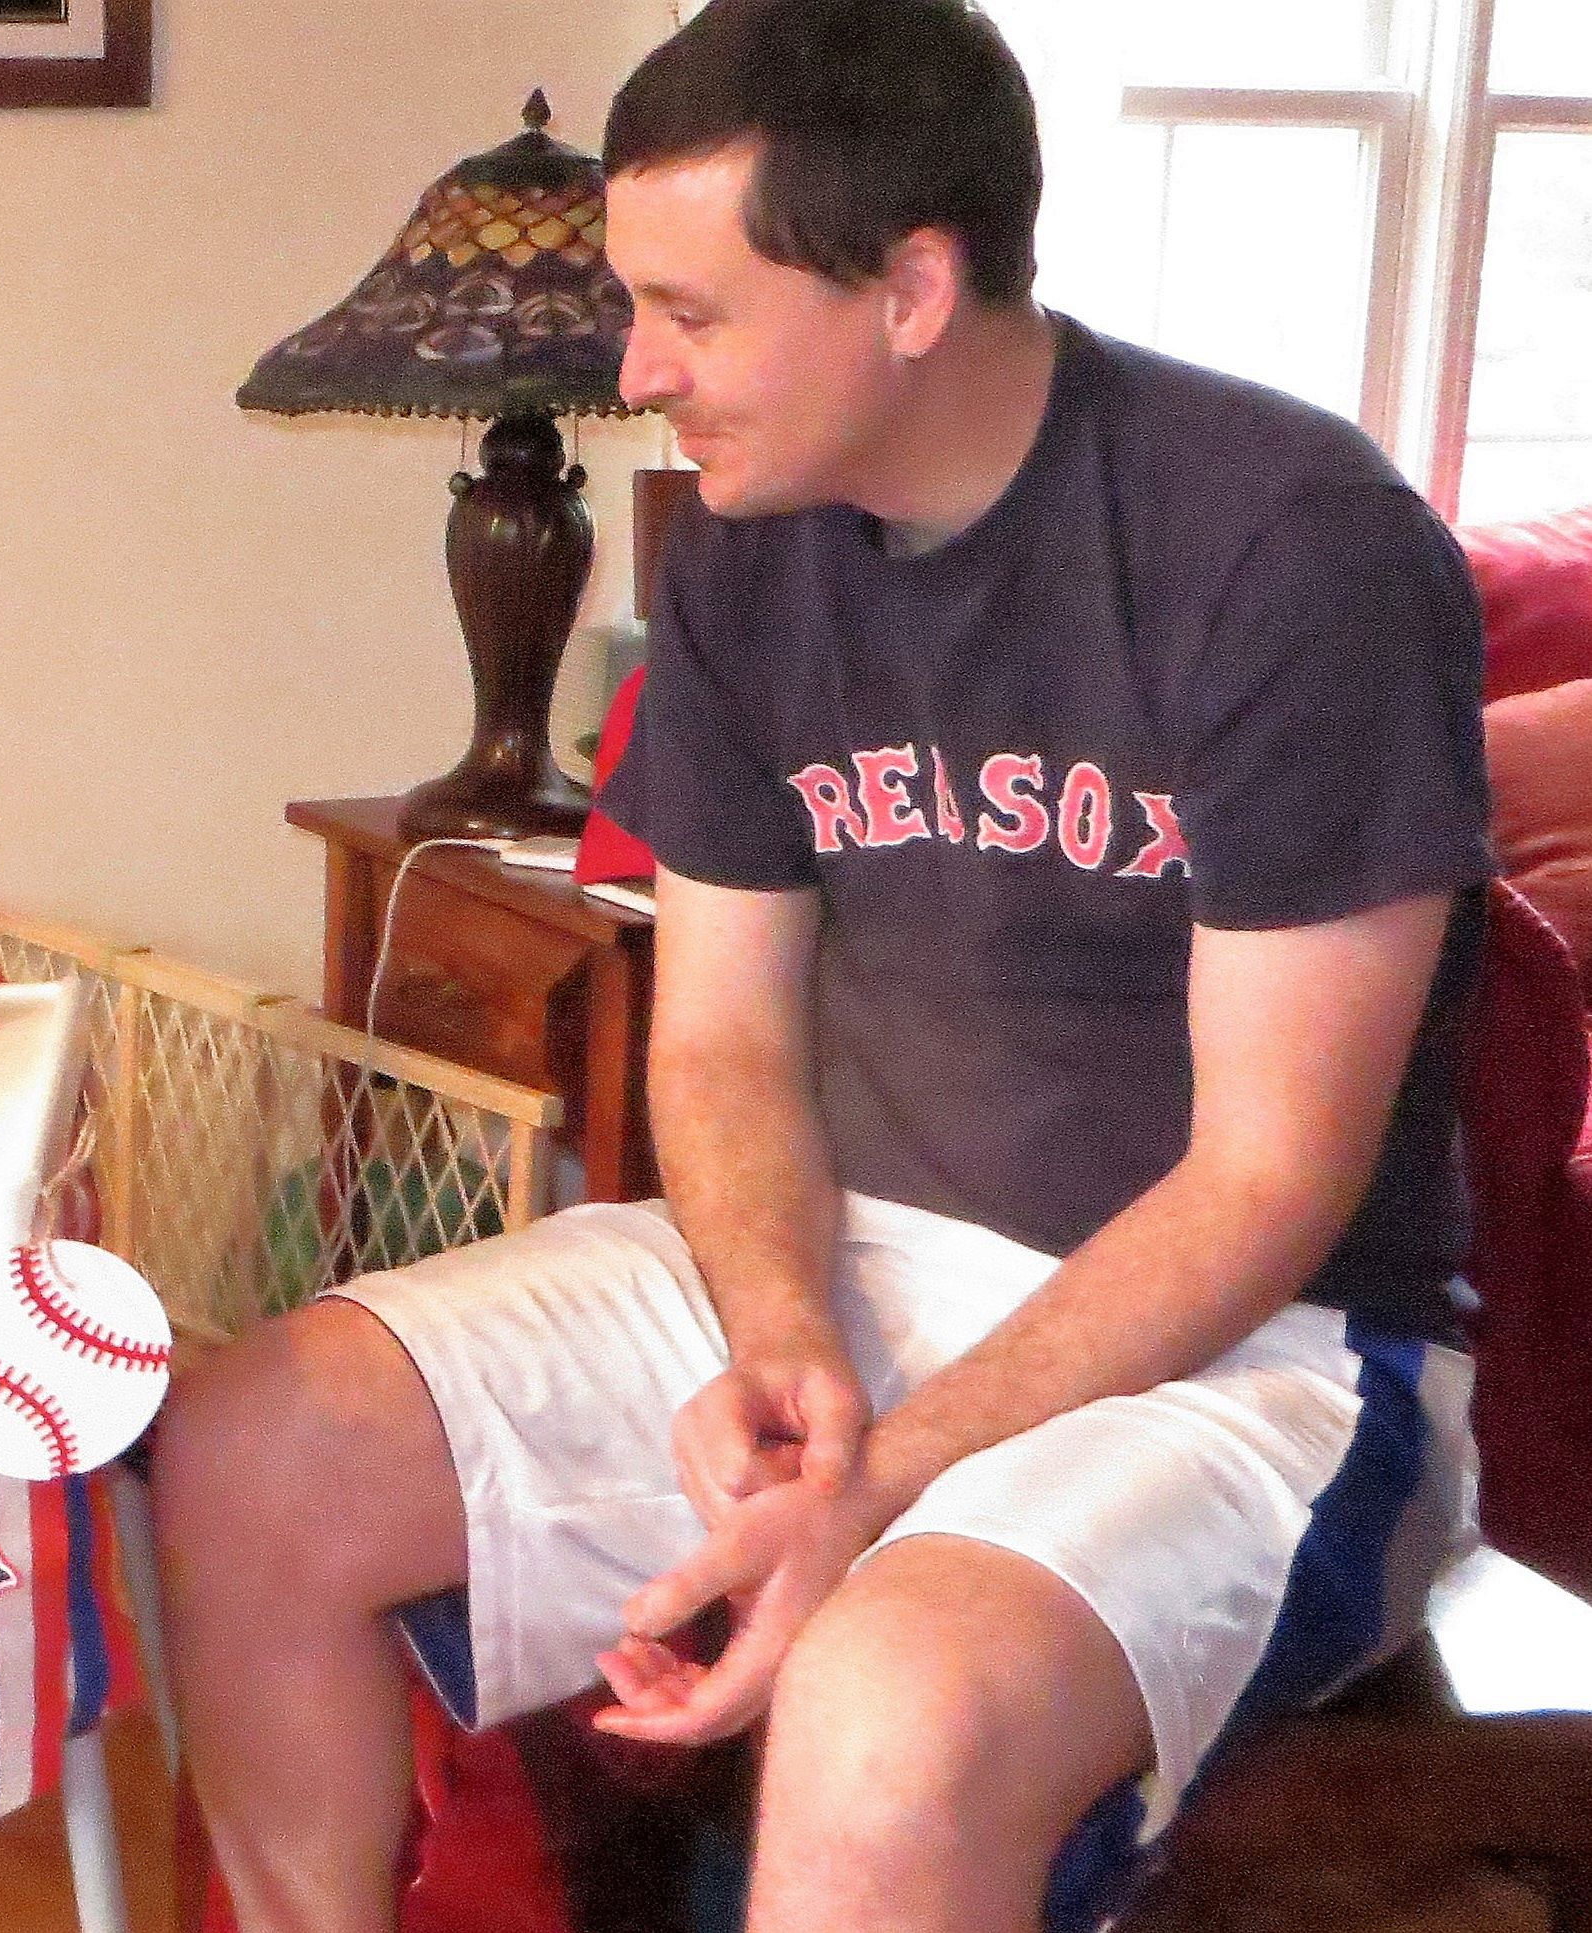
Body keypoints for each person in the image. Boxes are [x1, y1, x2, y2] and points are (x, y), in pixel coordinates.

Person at [150, 2, 1494, 1929]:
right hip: (855, 1258)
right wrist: (783, 1335)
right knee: (253, 1447)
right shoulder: (746, 544)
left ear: (913, 290)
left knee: (888, 1708)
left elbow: (1271, 1178)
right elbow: (716, 1042)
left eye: (688, 314)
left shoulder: (1290, 551)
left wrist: (887, 1471)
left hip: (1260, 1351)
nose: (638, 371)